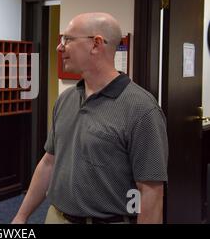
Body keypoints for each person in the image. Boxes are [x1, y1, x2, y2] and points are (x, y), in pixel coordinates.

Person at [12, 12, 168, 224]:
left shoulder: (141, 109)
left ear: (96, 44)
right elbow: (49, 162)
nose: (60, 47)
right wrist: (21, 216)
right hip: (57, 217)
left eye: (67, 39)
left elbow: (151, 191)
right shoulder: (66, 99)